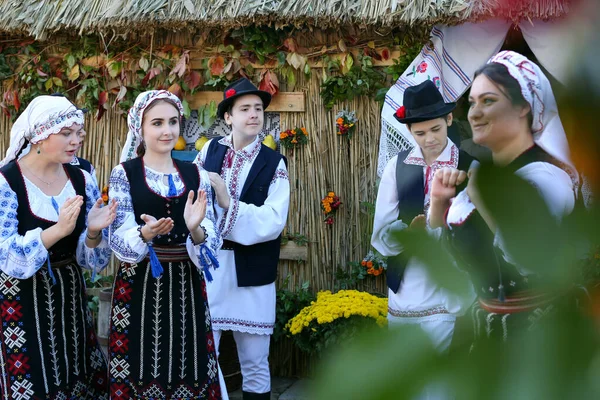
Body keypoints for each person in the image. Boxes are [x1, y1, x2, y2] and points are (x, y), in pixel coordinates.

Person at [428, 51, 577, 342]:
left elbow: (526, 252)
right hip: (488, 338)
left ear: (523, 107)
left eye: (488, 101)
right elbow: (451, 267)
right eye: (472, 102)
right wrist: (439, 205)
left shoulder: (546, 179)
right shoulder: (477, 179)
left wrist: (481, 195)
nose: (473, 113)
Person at [108, 90, 224, 399]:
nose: (167, 131)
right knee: (141, 366)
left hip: (186, 284)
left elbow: (209, 239)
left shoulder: (195, 172)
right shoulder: (124, 174)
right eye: (157, 123)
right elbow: (118, 237)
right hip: (140, 284)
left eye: (173, 122)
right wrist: (145, 235)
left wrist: (195, 228)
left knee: (190, 363)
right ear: (140, 128)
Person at [0, 95, 116, 399]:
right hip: (21, 302)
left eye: (78, 133)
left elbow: (92, 257)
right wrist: (58, 230)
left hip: (69, 298)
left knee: (75, 376)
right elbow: (6, 253)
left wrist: (92, 232)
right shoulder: (7, 181)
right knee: (33, 383)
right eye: (66, 133)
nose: (75, 140)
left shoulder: (82, 178)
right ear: (39, 135)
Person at [194, 78, 290, 400]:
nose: (254, 115)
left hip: (253, 271)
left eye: (259, 109)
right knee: (206, 357)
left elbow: (273, 221)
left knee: (255, 362)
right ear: (228, 117)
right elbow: (190, 199)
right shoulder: (208, 151)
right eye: (245, 109)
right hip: (212, 268)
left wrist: (227, 202)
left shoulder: (275, 163)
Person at [371, 79, 475, 353]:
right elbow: (380, 233)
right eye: (420, 133)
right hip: (404, 289)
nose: (429, 139)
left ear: (449, 118)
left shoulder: (468, 166)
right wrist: (407, 235)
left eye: (435, 129)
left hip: (449, 287)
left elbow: (480, 231)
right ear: (408, 130)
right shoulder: (398, 166)